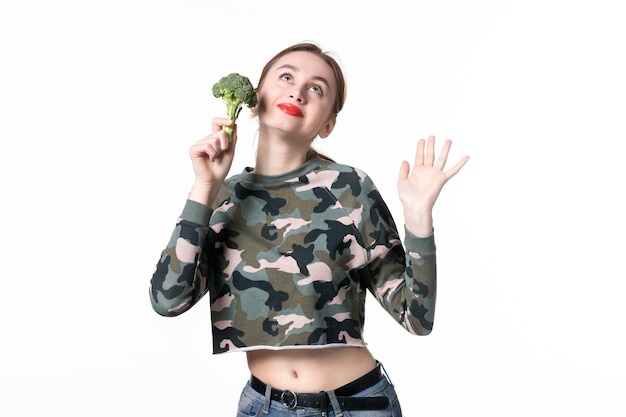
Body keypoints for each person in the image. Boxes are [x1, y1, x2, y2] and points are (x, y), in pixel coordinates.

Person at [149, 41, 469, 416]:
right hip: (263, 407)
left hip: (356, 405)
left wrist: (418, 219)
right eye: (286, 76)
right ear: (255, 99)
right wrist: (204, 188)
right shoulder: (223, 196)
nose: (297, 91)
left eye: (316, 89)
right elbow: (167, 301)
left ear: (328, 124)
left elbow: (417, 318)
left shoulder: (350, 189)